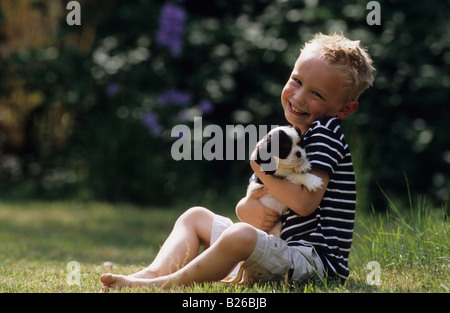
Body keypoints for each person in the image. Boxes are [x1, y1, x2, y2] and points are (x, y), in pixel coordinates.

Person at [100, 32, 375, 291]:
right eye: (297, 81)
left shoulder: (325, 133)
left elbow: (304, 203)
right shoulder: (287, 137)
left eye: (317, 94)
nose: (299, 97)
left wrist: (261, 169)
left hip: (314, 263)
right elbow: (256, 200)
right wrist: (246, 208)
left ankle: (163, 284)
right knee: (195, 216)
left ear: (345, 109)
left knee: (241, 236)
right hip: (279, 246)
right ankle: (152, 272)